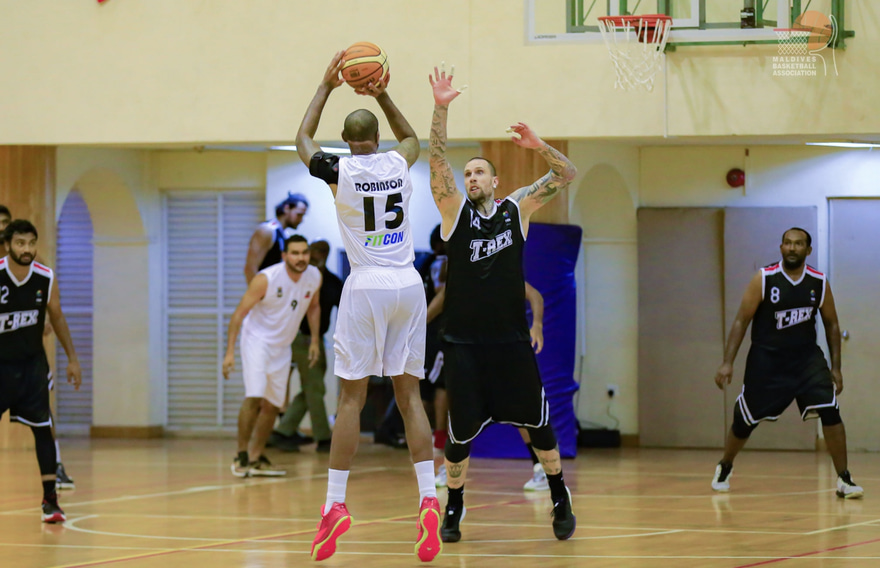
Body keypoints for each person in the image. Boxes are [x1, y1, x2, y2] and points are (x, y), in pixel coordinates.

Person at [296, 52, 441, 563]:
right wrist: (381, 93)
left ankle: (335, 505)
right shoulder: (398, 161)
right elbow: (413, 138)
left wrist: (325, 85)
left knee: (351, 400)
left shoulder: (339, 169)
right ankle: (428, 497)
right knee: (411, 397)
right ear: (377, 138)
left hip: (366, 285)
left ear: (346, 140)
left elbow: (303, 139)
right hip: (408, 284)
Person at [428, 65, 578, 543]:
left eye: (479, 172)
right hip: (464, 344)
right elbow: (436, 162)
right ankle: (454, 505)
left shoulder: (517, 208)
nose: (471, 177)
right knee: (459, 437)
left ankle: (559, 494)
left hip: (510, 342)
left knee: (540, 426)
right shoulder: (453, 213)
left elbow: (567, 173)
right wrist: (440, 109)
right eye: (467, 173)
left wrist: (539, 146)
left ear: (495, 181)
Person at [711, 227, 863, 499]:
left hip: (806, 360)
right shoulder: (764, 278)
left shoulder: (818, 281)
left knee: (830, 411)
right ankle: (726, 465)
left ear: (808, 250)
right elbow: (741, 320)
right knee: (744, 421)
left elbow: (832, 324)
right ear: (781, 247)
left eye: (799, 244)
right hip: (767, 361)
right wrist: (727, 362)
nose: (792, 248)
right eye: (788, 243)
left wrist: (836, 368)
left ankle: (844, 478)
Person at [431, 280, 551, 492]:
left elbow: (535, 296)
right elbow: (442, 297)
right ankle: (451, 468)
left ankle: (542, 468)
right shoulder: (462, 276)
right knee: (461, 411)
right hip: (471, 352)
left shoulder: (502, 274)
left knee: (522, 413)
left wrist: (537, 325)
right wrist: (418, 323)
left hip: (504, 351)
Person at [0, 220, 82, 522]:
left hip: (32, 366)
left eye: (31, 243)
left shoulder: (45, 277)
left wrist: (72, 358)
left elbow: (57, 317)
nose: (27, 249)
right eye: (20, 243)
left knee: (43, 429)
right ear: (8, 245)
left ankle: (51, 501)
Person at [223, 235, 321, 478]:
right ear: (284, 256)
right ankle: (241, 455)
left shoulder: (314, 277)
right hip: (256, 340)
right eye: (295, 253)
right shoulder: (266, 279)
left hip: (283, 346)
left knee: (273, 404)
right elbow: (239, 314)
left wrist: (315, 340)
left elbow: (314, 307)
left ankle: (256, 457)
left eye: (304, 253)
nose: (300, 258)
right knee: (255, 396)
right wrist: (229, 352)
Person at [270, 240, 343, 453]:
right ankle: (323, 437)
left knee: (313, 387)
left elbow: (344, 309)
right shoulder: (299, 279)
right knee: (315, 387)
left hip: (315, 339)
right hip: (298, 337)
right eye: (315, 251)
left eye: (323, 252)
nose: (318, 255)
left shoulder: (331, 282)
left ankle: (283, 431)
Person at [244, 193, 309, 283]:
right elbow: (250, 268)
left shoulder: (285, 235)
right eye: (299, 215)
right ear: (286, 209)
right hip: (264, 289)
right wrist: (257, 291)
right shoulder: (267, 230)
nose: (301, 220)